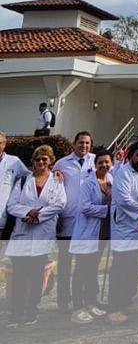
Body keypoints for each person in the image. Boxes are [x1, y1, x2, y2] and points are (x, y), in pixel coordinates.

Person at [5, 145, 66, 327]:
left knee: (37, 274)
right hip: (22, 233)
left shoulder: (56, 181)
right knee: (19, 276)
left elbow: (61, 203)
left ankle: (32, 310)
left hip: (42, 233)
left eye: (45, 159)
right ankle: (16, 314)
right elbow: (12, 205)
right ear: (32, 162)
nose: (41, 162)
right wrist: (28, 213)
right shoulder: (23, 181)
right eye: (38, 159)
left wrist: (38, 215)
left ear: (50, 161)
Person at [108, 140, 138, 323]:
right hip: (126, 228)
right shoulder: (124, 173)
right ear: (130, 156)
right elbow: (123, 198)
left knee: (134, 267)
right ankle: (114, 307)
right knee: (121, 268)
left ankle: (128, 300)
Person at [68, 149, 113, 324]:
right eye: (100, 162)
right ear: (95, 165)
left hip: (102, 233)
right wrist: (105, 210)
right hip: (87, 233)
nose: (104, 165)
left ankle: (90, 302)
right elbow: (84, 207)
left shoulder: (111, 181)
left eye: (107, 162)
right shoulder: (88, 184)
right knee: (81, 269)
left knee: (92, 269)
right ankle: (77, 307)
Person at [53, 132, 96, 312]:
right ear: (74, 143)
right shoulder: (61, 163)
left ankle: (85, 299)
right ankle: (64, 300)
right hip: (67, 220)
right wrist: (56, 216)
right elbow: (54, 191)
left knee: (84, 265)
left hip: (87, 222)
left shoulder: (95, 161)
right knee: (64, 264)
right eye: (80, 142)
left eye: (87, 143)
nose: (83, 146)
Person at [0, 131, 31, 240]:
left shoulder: (14, 162)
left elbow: (30, 178)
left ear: (4, 144)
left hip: (3, 218)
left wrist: (54, 172)